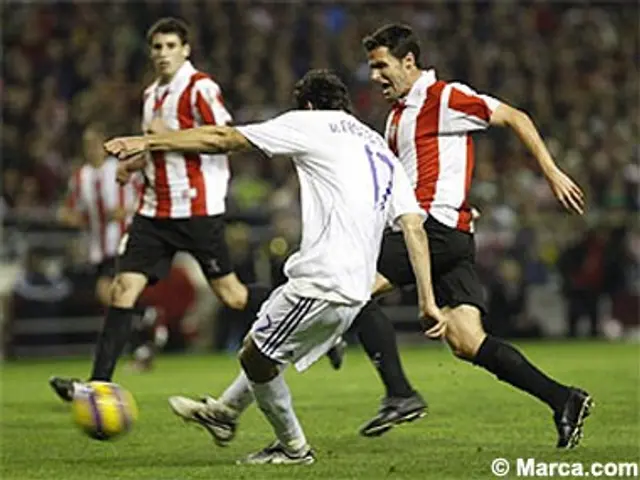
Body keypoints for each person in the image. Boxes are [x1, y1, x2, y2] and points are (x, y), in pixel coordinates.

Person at [104, 69, 446, 465]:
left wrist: (149, 141)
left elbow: (222, 138)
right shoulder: (379, 148)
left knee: (255, 356)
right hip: (355, 288)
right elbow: (413, 228)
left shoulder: (313, 122)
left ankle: (294, 448)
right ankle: (224, 413)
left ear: (308, 104)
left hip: (323, 279)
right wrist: (427, 299)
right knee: (269, 348)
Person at [347, 23, 592, 448]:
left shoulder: (442, 96)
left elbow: (514, 116)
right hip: (449, 232)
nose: (373, 76)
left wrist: (551, 172)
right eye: (371, 67)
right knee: (466, 340)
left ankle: (399, 394)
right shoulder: (397, 115)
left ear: (409, 62)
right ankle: (564, 399)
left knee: (351, 291)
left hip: (432, 230)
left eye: (380, 65)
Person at [49, 17, 311, 402]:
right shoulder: (151, 94)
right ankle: (99, 386)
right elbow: (159, 150)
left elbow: (224, 140)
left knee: (233, 296)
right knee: (122, 290)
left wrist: (155, 139)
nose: (163, 54)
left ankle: (307, 310)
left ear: (185, 49)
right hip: (154, 211)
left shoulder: (200, 88)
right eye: (157, 47)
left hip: (196, 208)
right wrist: (136, 162)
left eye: (171, 46)